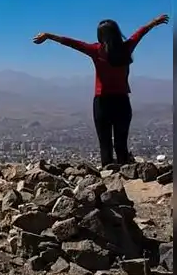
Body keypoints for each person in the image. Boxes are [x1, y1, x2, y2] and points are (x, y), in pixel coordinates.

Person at [32, 14, 169, 168]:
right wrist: (155, 22)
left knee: (105, 143)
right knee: (121, 143)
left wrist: (48, 36)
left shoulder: (96, 50)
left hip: (102, 102)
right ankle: (125, 172)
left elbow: (72, 43)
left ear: (100, 35)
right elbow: (141, 32)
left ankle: (108, 173)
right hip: (122, 102)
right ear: (117, 32)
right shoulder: (126, 48)